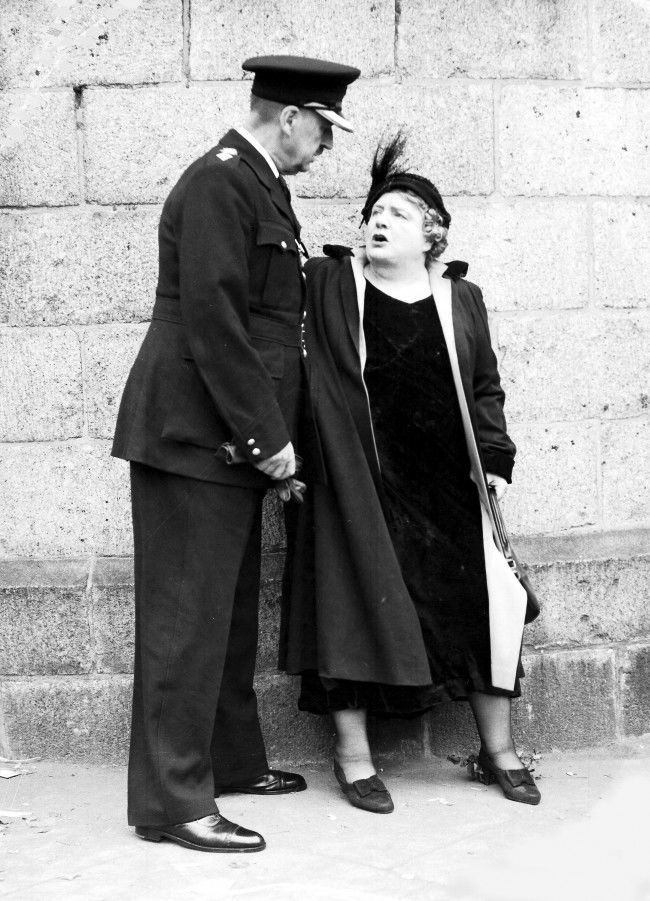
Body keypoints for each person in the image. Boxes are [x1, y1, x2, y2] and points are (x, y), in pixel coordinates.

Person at [111, 55, 360, 853]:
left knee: (224, 615)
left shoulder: (259, 184)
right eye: (324, 128)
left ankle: (226, 761)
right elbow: (216, 322)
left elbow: (266, 326)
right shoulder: (221, 180)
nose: (326, 146)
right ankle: (173, 803)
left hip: (223, 439)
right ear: (289, 116)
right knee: (185, 623)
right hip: (195, 434)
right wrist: (270, 441)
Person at [282, 135, 541, 814]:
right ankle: (354, 757)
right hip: (355, 479)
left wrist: (497, 461)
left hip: (446, 483)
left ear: (433, 232)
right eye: (373, 211)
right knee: (348, 607)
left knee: (481, 610)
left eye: (397, 211)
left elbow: (485, 387)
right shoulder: (331, 284)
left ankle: (498, 751)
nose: (379, 219)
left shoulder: (462, 299)